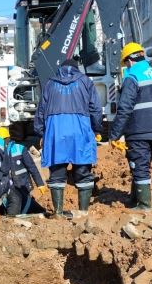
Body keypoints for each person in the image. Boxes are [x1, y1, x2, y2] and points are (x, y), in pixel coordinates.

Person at [34, 58, 102, 216]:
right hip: (80, 130)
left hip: (56, 132)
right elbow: (96, 109)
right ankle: (83, 212)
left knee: (57, 173)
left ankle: (58, 213)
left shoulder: (50, 83)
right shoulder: (86, 81)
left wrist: (41, 132)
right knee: (83, 171)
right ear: (77, 68)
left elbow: (41, 110)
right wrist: (96, 128)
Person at [109, 43, 152, 212]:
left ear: (129, 60)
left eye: (126, 63)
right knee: (140, 164)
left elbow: (124, 109)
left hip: (138, 130)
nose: (126, 67)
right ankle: (134, 199)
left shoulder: (132, 77)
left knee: (140, 166)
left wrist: (114, 135)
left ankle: (144, 205)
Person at [0, 127, 48, 216]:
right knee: (9, 205)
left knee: (23, 204)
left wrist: (40, 184)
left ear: (8, 139)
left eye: (2, 140)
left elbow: (32, 167)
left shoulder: (20, 149)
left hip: (23, 185)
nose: (1, 143)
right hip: (6, 187)